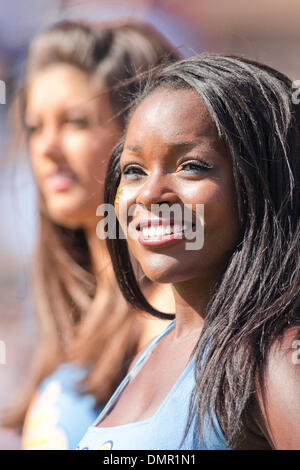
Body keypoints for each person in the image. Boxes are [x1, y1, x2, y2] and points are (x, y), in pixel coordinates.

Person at [77, 54, 300, 450]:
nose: (149, 194)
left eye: (192, 166)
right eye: (134, 170)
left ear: (263, 184)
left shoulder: (274, 357)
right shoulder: (154, 353)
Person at [1, 20, 179, 450]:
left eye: (76, 123)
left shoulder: (174, 310)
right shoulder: (75, 309)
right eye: (35, 127)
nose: (46, 148)